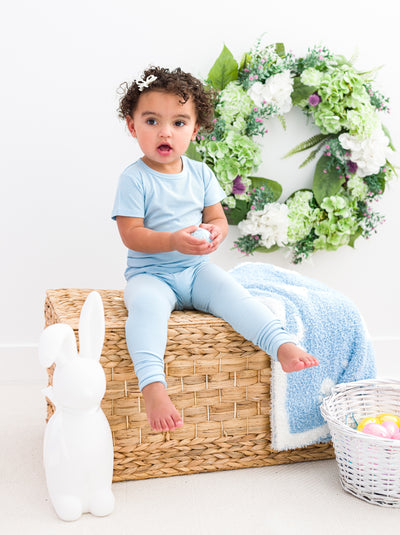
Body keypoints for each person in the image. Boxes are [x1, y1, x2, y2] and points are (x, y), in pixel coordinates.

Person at [112, 66, 319, 433]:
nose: (165, 131)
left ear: (194, 130)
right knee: (145, 310)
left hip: (196, 271)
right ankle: (153, 386)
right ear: (132, 127)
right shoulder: (135, 178)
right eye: (151, 120)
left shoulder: (201, 174)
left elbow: (218, 219)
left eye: (178, 123)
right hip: (150, 275)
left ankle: (280, 342)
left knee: (235, 295)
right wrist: (173, 240)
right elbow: (131, 234)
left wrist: (215, 232)